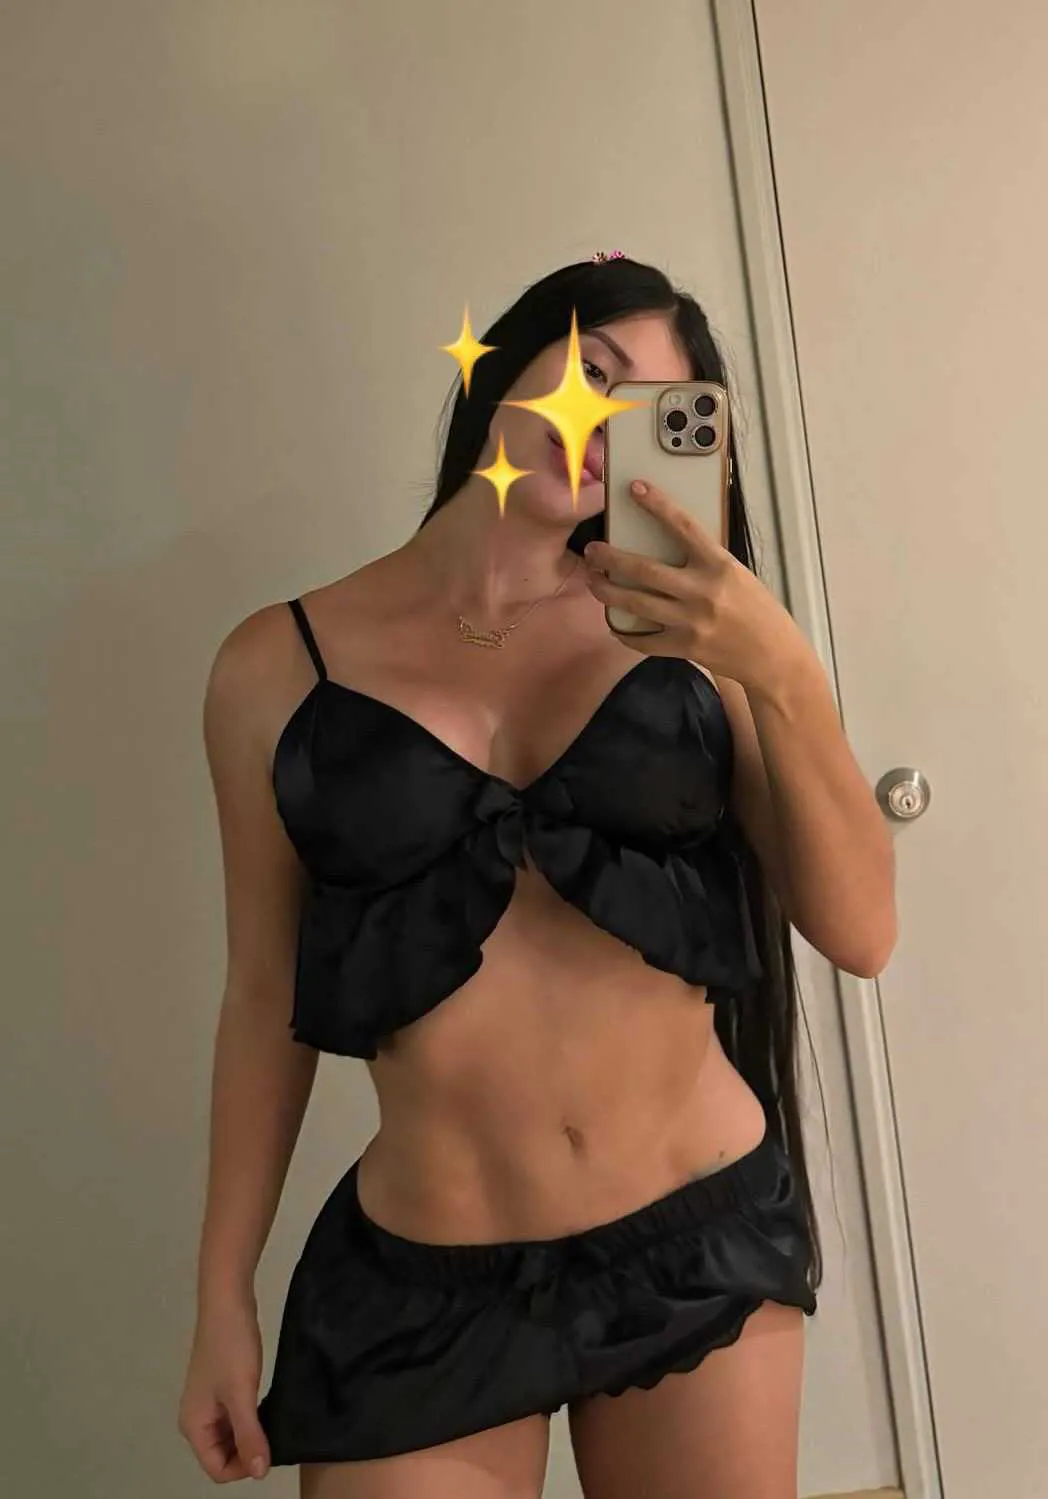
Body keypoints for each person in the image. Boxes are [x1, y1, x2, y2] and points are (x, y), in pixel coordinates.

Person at [178, 257, 896, 1499]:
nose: (602, 424)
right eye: (593, 370)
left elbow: (861, 931)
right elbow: (258, 995)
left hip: (694, 1234)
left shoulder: (695, 635)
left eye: (649, 413)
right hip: (420, 1276)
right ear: (508, 358)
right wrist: (220, 1293)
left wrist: (778, 667)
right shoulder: (273, 666)